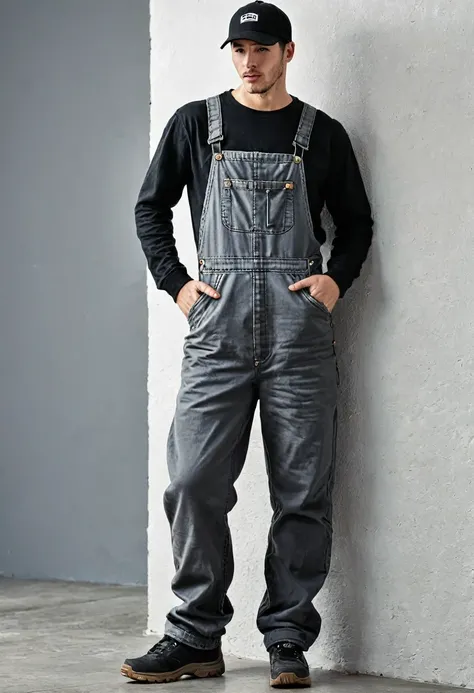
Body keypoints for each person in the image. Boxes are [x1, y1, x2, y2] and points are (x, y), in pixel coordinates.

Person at [121, 0, 373, 687]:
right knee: (194, 481)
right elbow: (151, 207)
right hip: (218, 329)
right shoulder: (193, 125)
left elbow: (355, 222)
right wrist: (176, 284)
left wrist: (335, 281)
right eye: (238, 48)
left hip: (299, 333)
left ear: (288, 53)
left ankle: (287, 637)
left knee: (302, 489)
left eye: (262, 49)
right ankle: (196, 635)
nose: (248, 61)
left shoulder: (322, 134)